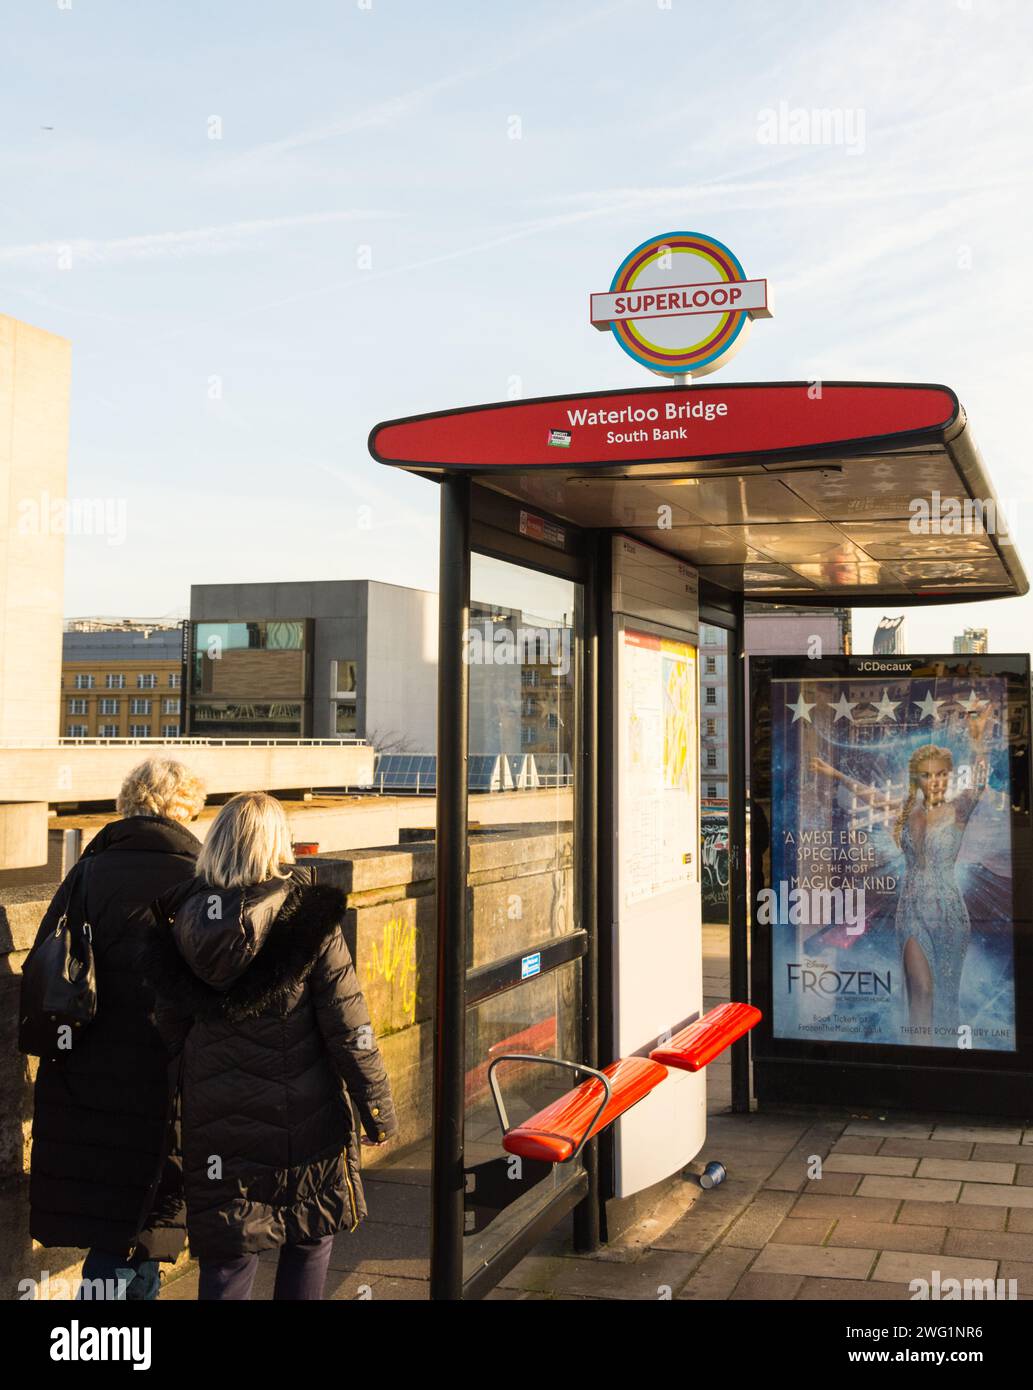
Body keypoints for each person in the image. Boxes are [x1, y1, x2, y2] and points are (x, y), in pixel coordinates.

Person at [146, 791, 397, 1301]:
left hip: (216, 1123)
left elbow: (168, 1034)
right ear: (276, 845)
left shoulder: (181, 922)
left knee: (228, 1253)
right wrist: (377, 1110)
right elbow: (350, 1028)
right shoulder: (309, 920)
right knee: (306, 1237)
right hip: (304, 1119)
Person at [28, 757, 206, 1300]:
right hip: (165, 1070)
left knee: (108, 1214)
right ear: (183, 808)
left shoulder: (87, 871)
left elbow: (48, 963)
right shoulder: (197, 877)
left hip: (90, 1068)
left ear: (131, 802)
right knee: (149, 1216)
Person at [810, 697, 992, 1038]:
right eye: (926, 775)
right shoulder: (907, 811)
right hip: (910, 911)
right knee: (920, 990)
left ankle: (945, 1062)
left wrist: (978, 741)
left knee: (946, 997)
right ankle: (919, 1056)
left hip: (950, 912)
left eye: (941, 774)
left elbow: (979, 782)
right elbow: (868, 794)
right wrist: (834, 774)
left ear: (948, 776)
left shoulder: (959, 809)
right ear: (917, 780)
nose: (935, 781)